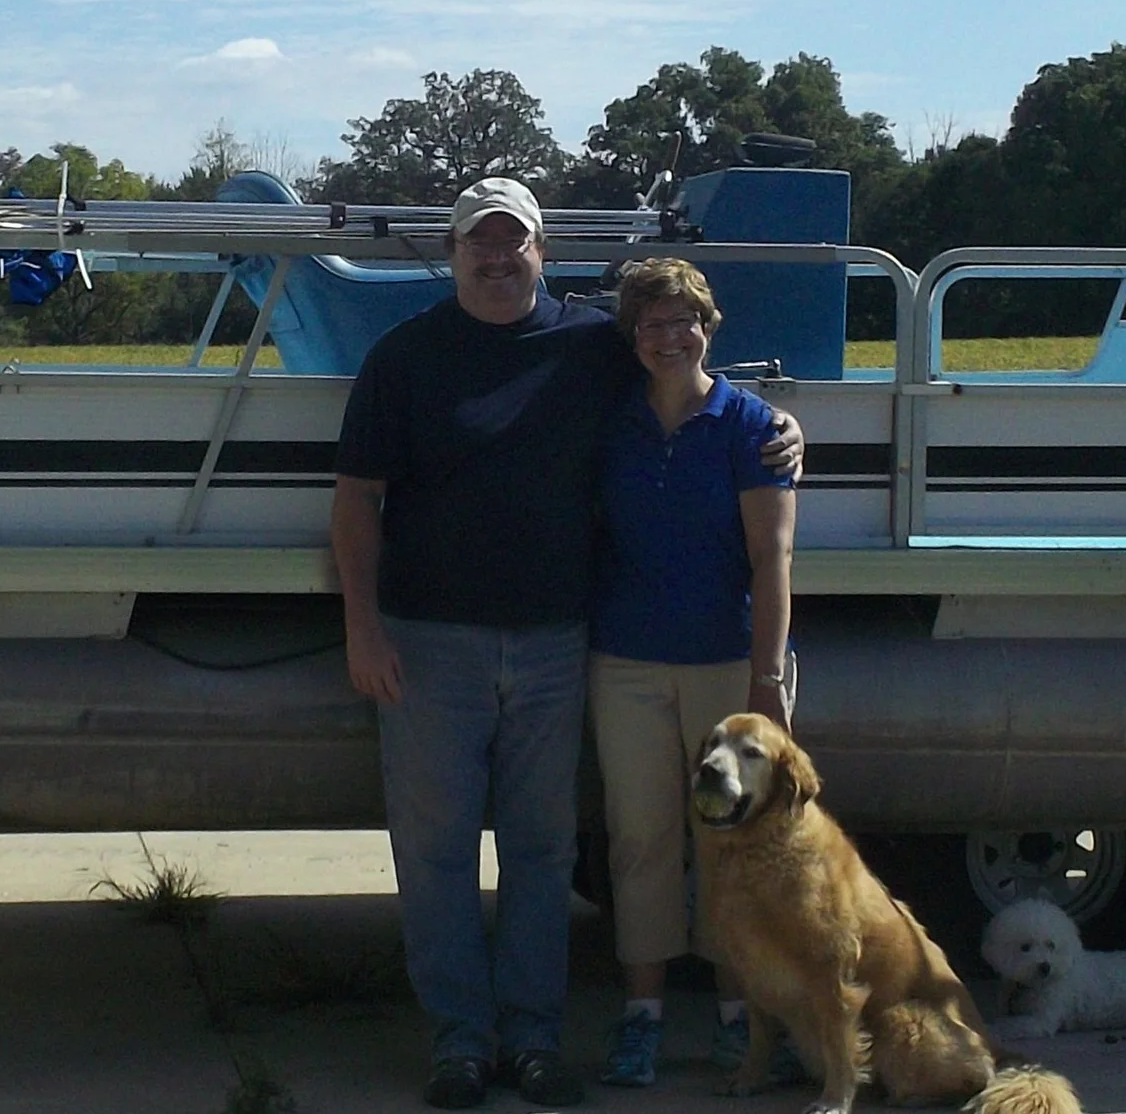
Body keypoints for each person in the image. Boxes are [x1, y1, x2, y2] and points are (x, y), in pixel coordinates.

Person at [331, 179, 800, 1110]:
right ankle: (461, 1042)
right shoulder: (405, 356)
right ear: (454, 250)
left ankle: (536, 1041)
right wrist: (363, 625)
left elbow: (688, 378)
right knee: (434, 852)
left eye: (514, 244)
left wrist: (781, 430)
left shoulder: (591, 343)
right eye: (478, 244)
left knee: (543, 851)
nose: (496, 259)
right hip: (430, 645)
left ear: (543, 251)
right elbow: (355, 502)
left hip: (554, 642)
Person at [584, 259, 799, 1089]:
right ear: (631, 337)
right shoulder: (612, 422)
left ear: (709, 328)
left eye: (685, 322)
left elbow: (771, 557)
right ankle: (641, 1016)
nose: (669, 337)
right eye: (650, 324)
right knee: (640, 839)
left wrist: (766, 681)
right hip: (628, 659)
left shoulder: (750, 426)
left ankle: (739, 1018)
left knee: (734, 844)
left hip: (725, 662)